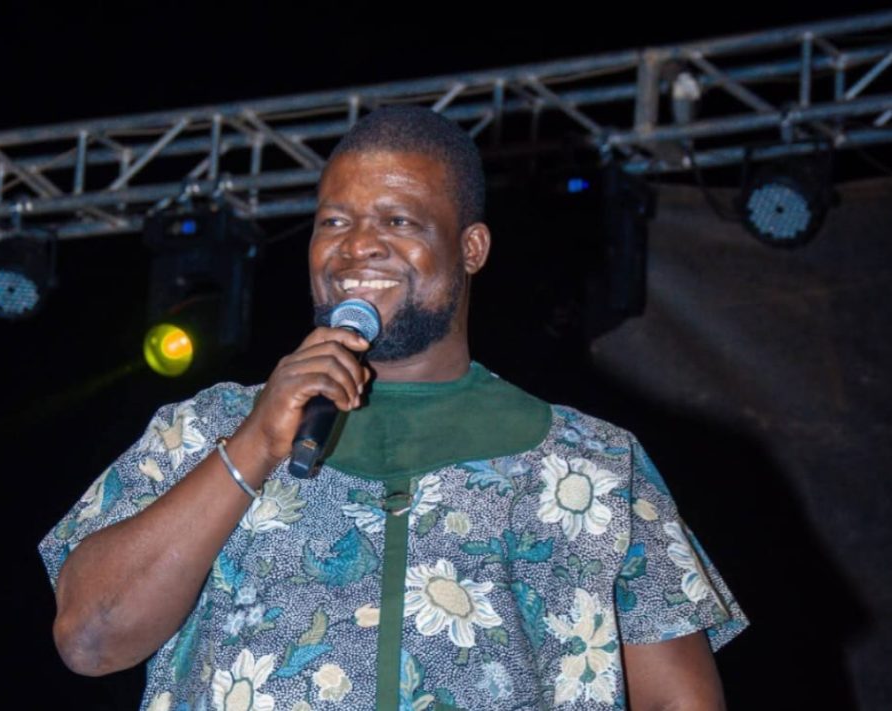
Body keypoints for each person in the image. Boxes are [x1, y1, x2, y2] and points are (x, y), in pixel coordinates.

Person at [40, 106, 747, 711]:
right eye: (333, 221)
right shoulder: (199, 430)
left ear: (471, 248)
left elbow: (680, 699)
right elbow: (90, 639)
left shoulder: (594, 465)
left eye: (398, 219)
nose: (356, 246)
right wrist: (253, 445)